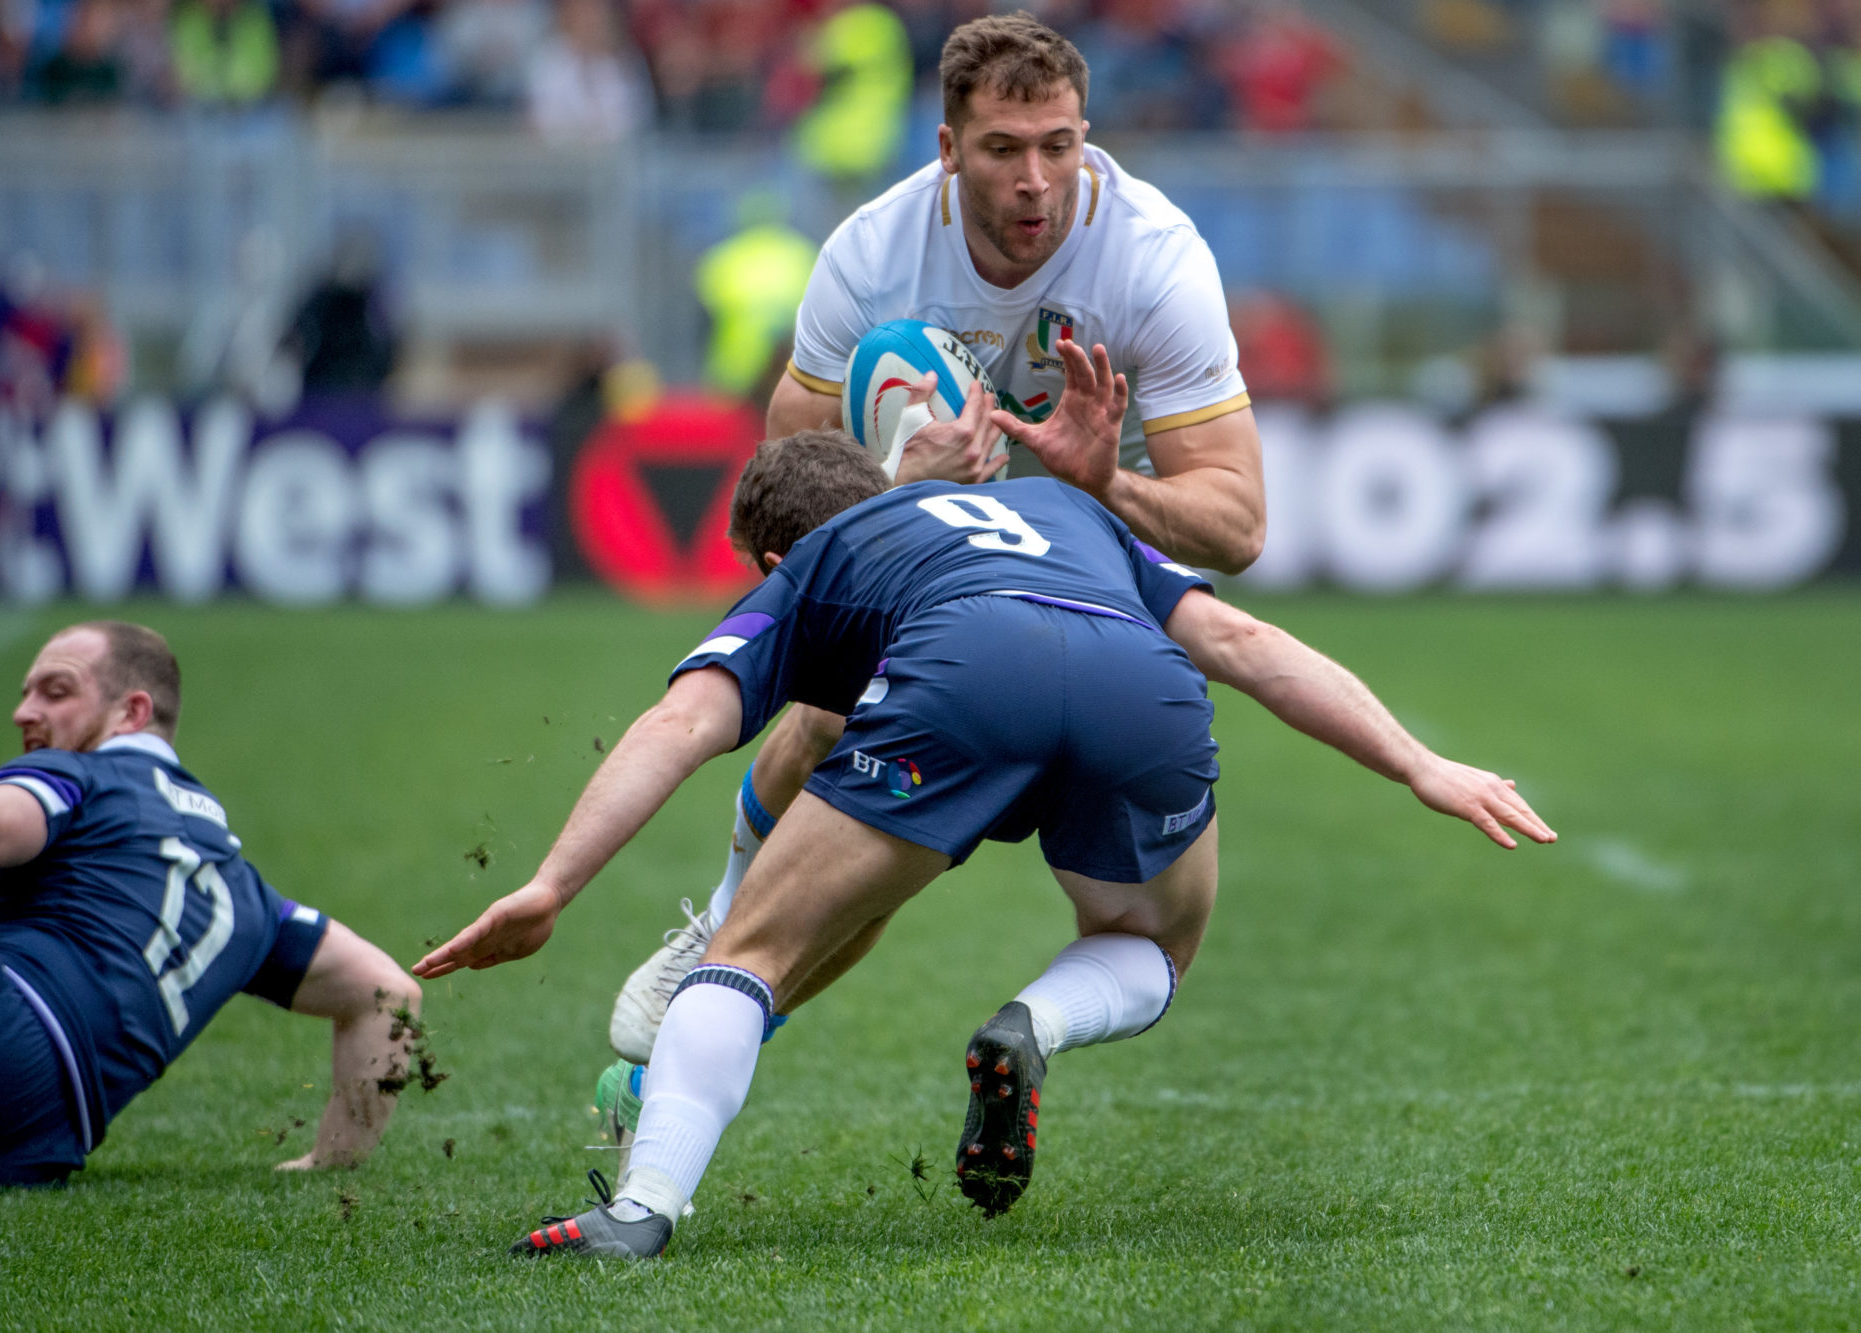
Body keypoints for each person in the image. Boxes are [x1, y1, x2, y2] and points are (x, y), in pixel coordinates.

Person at [414, 420, 1554, 1259]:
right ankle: (1030, 1024)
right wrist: (1418, 763)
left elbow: (680, 723)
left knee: (746, 954)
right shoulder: (1067, 513)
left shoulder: (812, 568)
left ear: (768, 558)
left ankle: (639, 1210)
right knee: (1151, 947)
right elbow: (1243, 641)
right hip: (1134, 680)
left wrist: (553, 883)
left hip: (964, 674)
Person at [605, 8, 1270, 1079]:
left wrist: (1101, 478)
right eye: (1003, 150)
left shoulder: (1151, 258)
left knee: (1152, 919)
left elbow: (1236, 524)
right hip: (933, 547)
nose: (1036, 181)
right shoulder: (871, 253)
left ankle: (721, 1000)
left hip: (1100, 558)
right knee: (837, 745)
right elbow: (785, 493)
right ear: (947, 149)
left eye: (1060, 145)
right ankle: (724, 942)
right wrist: (897, 491)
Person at [0, 621, 419, 1186]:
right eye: (26, 692)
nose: (24, 711)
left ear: (131, 713)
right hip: (36, 1140)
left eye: (56, 692)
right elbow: (389, 994)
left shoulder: (87, 775)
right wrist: (334, 1160)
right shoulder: (248, 895)